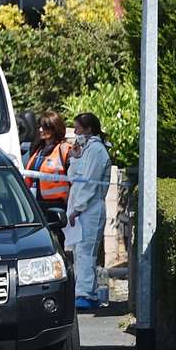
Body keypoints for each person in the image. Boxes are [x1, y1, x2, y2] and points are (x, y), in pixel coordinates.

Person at [64, 112, 112, 310]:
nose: (75, 132)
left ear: (89, 129)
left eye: (78, 128)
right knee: (78, 251)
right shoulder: (86, 150)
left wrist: (77, 209)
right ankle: (82, 291)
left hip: (89, 210)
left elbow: (90, 184)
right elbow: (73, 178)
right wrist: (75, 158)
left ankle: (86, 294)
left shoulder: (97, 151)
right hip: (80, 209)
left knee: (87, 252)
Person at [23, 111, 73, 225]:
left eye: (45, 127)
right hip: (37, 204)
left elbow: (73, 180)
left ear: (54, 128)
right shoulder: (37, 149)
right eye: (39, 126)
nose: (40, 130)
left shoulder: (64, 150)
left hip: (57, 206)